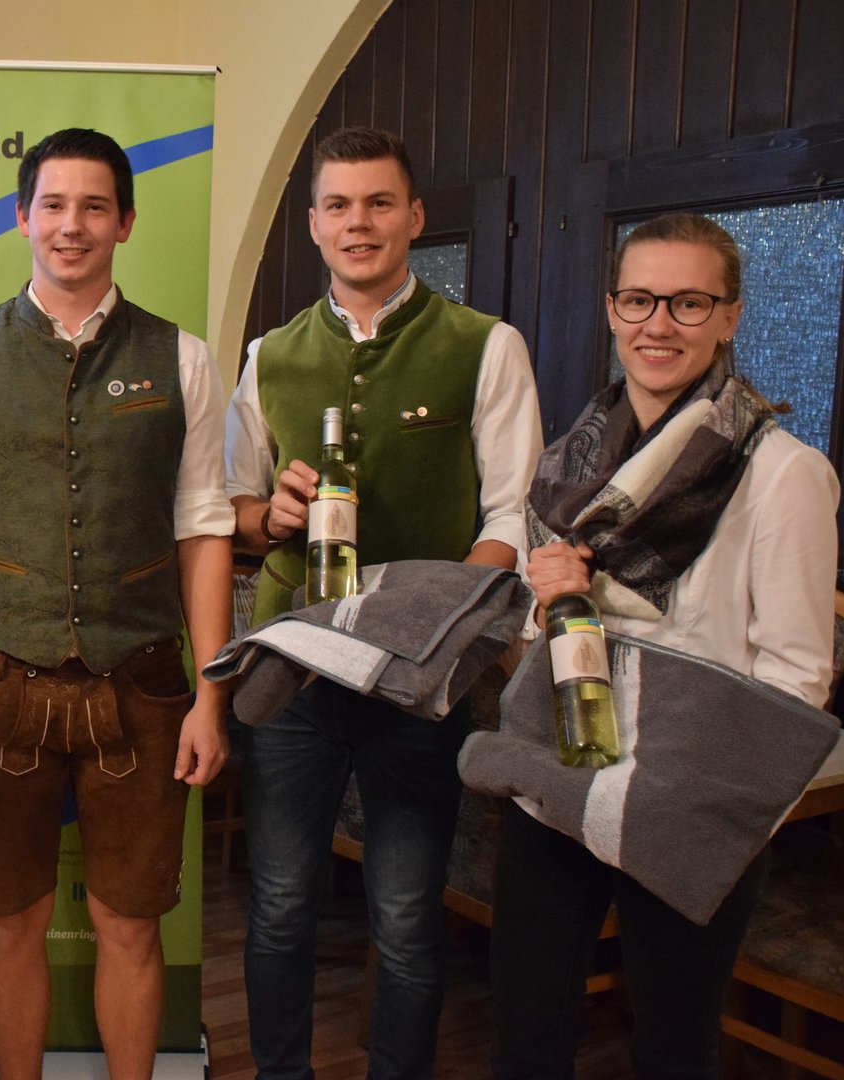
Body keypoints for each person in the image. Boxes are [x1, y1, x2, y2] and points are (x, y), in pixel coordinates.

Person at [0, 127, 234, 1080]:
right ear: (22, 217)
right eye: (53, 204)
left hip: (144, 683)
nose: (72, 225)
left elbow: (204, 529)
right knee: (9, 922)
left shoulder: (183, 359)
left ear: (125, 222)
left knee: (131, 924)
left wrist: (212, 694)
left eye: (94, 206)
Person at [223, 126, 542, 1080]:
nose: (357, 222)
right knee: (280, 906)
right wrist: (273, 513)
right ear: (314, 225)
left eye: (377, 203)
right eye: (338, 205)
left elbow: (512, 513)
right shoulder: (270, 355)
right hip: (293, 669)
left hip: (419, 680)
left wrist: (441, 621)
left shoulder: (487, 346)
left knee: (404, 918)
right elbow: (234, 510)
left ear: (414, 217)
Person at [489, 212, 840, 1079]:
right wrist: (548, 601)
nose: (659, 324)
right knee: (526, 1029)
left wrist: (725, 810)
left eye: (689, 303)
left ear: (729, 316)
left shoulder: (781, 473)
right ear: (612, 309)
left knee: (674, 1047)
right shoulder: (567, 466)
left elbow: (798, 678)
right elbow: (539, 633)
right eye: (640, 300)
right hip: (560, 774)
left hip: (688, 798)